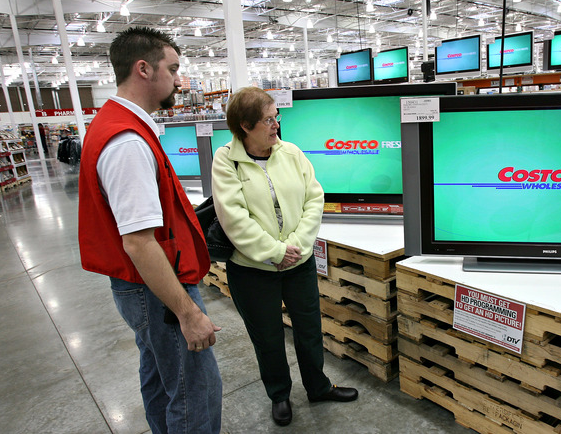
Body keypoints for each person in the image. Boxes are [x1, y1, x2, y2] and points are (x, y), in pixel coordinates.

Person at [77, 27, 222, 434]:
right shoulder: (126, 142)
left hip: (143, 286)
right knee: (196, 393)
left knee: (162, 379)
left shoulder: (120, 126)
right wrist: (187, 311)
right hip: (156, 288)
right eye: (172, 69)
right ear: (143, 69)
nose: (179, 80)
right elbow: (139, 243)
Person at [212, 87, 358, 427]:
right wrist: (275, 252)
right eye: (268, 119)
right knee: (268, 336)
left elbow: (314, 199)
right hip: (251, 269)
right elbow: (233, 217)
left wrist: (296, 246)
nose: (276, 124)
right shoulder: (227, 160)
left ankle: (318, 386)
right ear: (245, 126)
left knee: (309, 328)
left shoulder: (291, 153)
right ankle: (279, 394)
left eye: (277, 116)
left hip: (298, 263)